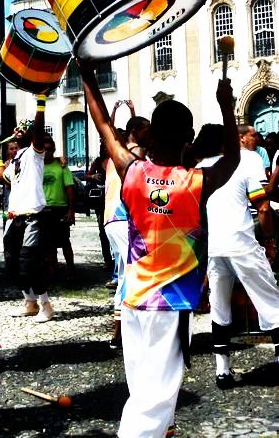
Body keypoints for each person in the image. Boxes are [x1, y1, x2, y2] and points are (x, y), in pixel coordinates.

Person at [79, 60, 240, 438]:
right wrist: (227, 107)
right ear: (188, 136)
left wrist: (87, 75)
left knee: (143, 388)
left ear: (151, 135)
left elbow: (103, 125)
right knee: (156, 396)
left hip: (133, 300)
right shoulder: (196, 181)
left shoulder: (130, 171)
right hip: (171, 304)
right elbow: (232, 158)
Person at [193, 123, 279, 387]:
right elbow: (262, 208)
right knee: (271, 301)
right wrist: (271, 241)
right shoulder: (246, 162)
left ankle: (222, 370)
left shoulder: (200, 168)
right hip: (242, 243)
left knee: (219, 306)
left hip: (216, 247)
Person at [0, 92, 54, 323]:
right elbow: (4, 177)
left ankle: (46, 305)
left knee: (30, 264)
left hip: (32, 217)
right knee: (12, 265)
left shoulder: (35, 153)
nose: (18, 131)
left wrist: (40, 104)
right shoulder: (17, 159)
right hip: (13, 217)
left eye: (23, 129)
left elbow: (37, 131)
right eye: (17, 129)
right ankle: (30, 303)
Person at [104, 102, 150, 349]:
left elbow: (111, 131)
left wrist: (129, 115)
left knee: (124, 273)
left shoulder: (116, 152)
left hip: (111, 218)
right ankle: (123, 331)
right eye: (147, 129)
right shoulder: (137, 154)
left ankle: (120, 329)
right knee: (132, 273)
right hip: (124, 218)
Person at [41, 135, 75, 279]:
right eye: (44, 150)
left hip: (59, 208)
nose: (46, 152)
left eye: (49, 149)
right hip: (43, 208)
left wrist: (71, 210)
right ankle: (51, 268)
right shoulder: (37, 166)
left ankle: (70, 269)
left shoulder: (62, 166)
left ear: (54, 150)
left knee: (64, 241)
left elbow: (69, 189)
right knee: (47, 243)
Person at [1, 140, 19, 229]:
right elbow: (7, 183)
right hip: (8, 202)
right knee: (8, 226)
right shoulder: (6, 165)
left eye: (16, 148)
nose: (14, 150)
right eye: (11, 149)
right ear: (8, 152)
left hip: (20, 202)